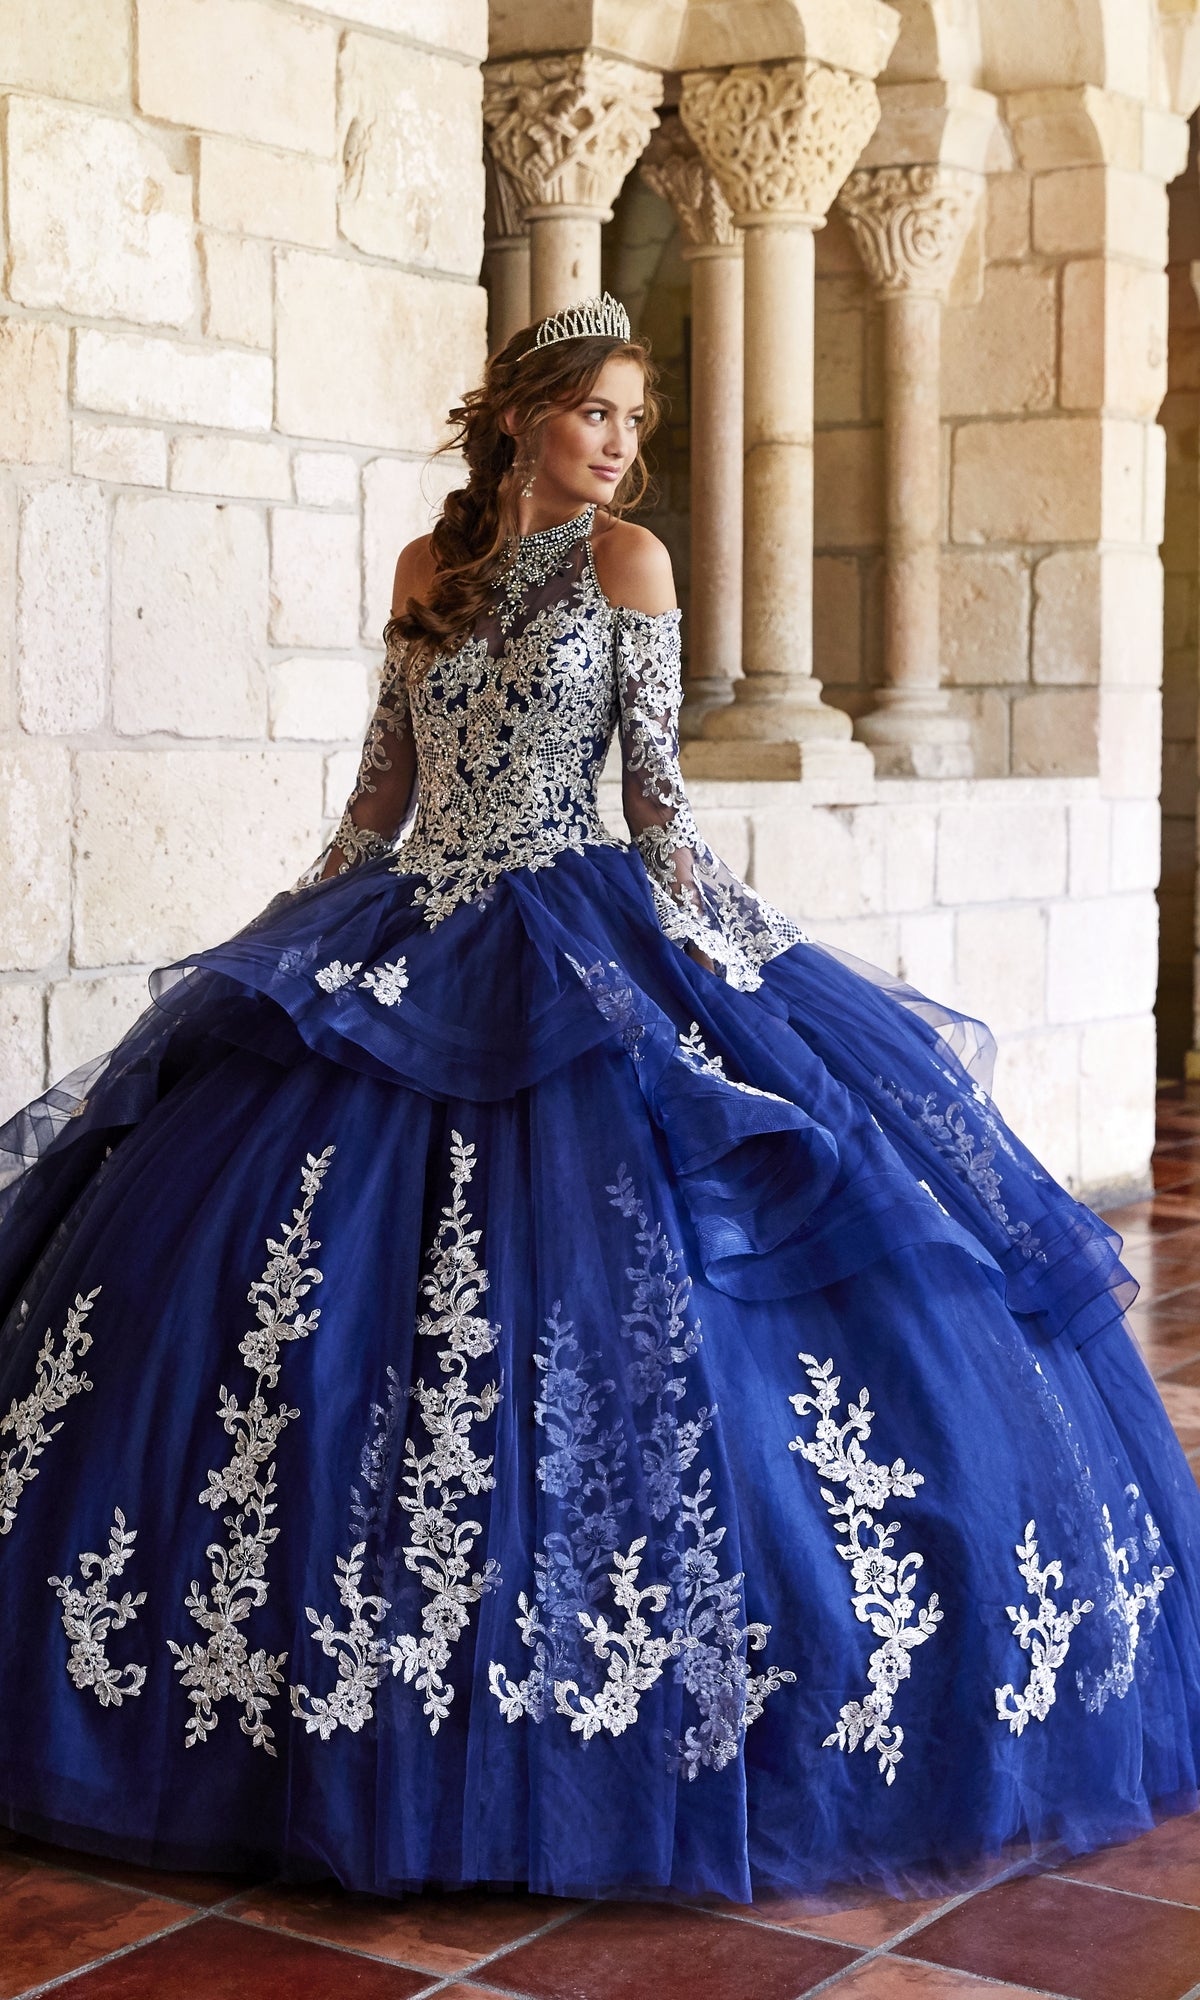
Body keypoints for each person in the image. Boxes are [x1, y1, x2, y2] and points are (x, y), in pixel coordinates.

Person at [0, 292, 1196, 1908]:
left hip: (584, 941)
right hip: (414, 934)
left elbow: (658, 809)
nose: (623, 443)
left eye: (637, 417)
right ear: (518, 419)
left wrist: (754, 974)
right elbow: (379, 801)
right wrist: (274, 943)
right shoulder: (428, 574)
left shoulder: (630, 565)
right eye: (598, 413)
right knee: (287, 1293)